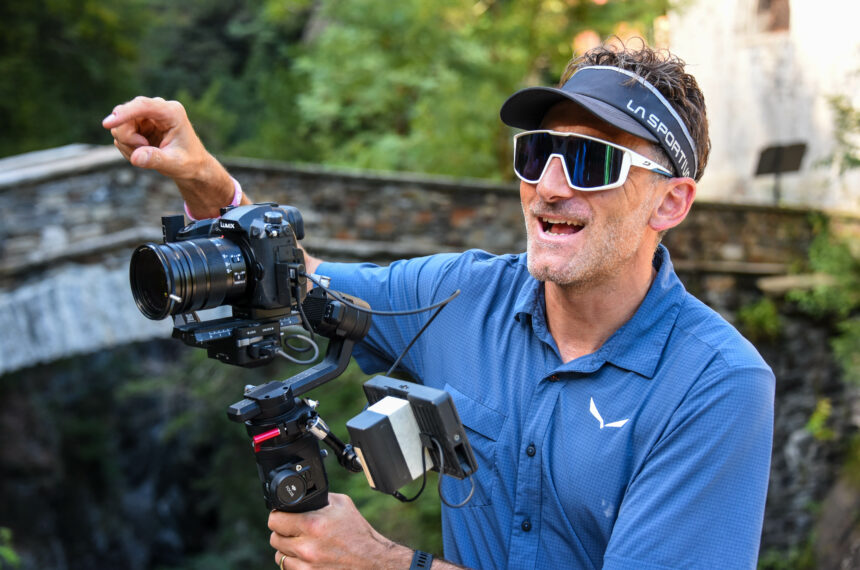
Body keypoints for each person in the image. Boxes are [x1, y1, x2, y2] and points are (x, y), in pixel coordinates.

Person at [104, 42, 774, 569]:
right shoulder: (461, 296)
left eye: (591, 162)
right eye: (538, 153)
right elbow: (297, 281)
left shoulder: (715, 386)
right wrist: (205, 180)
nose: (549, 187)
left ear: (670, 202)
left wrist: (384, 563)